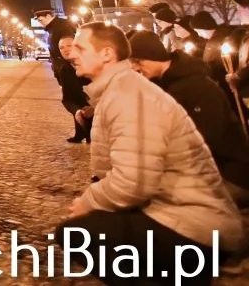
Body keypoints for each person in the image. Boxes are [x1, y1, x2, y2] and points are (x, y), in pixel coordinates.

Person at [57, 23, 243, 284]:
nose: (72, 53)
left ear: (107, 54)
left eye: (80, 47)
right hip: (173, 209)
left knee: (77, 234)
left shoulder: (128, 95)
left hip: (196, 225)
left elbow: (133, 182)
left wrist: (88, 202)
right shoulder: (119, 90)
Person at [128, 31, 249, 205]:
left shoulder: (198, 87)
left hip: (229, 174)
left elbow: (206, 140)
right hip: (196, 171)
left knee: (162, 204)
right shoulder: (163, 85)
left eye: (137, 61)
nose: (135, 68)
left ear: (151, 56)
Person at [35, 9, 90, 143]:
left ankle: (86, 131)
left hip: (70, 68)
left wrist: (69, 64)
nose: (41, 23)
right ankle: (84, 131)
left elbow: (68, 45)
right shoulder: (53, 28)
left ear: (49, 16)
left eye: (41, 19)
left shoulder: (61, 26)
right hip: (65, 68)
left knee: (75, 99)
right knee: (77, 99)